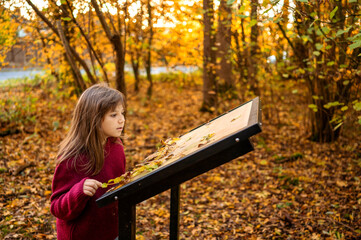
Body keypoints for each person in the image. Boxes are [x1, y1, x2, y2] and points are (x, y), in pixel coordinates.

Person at [50, 83, 126, 240]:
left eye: (122, 113)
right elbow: (57, 207)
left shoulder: (116, 147)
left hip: (111, 231)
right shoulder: (72, 158)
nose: (122, 120)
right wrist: (79, 192)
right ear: (94, 119)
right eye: (114, 115)